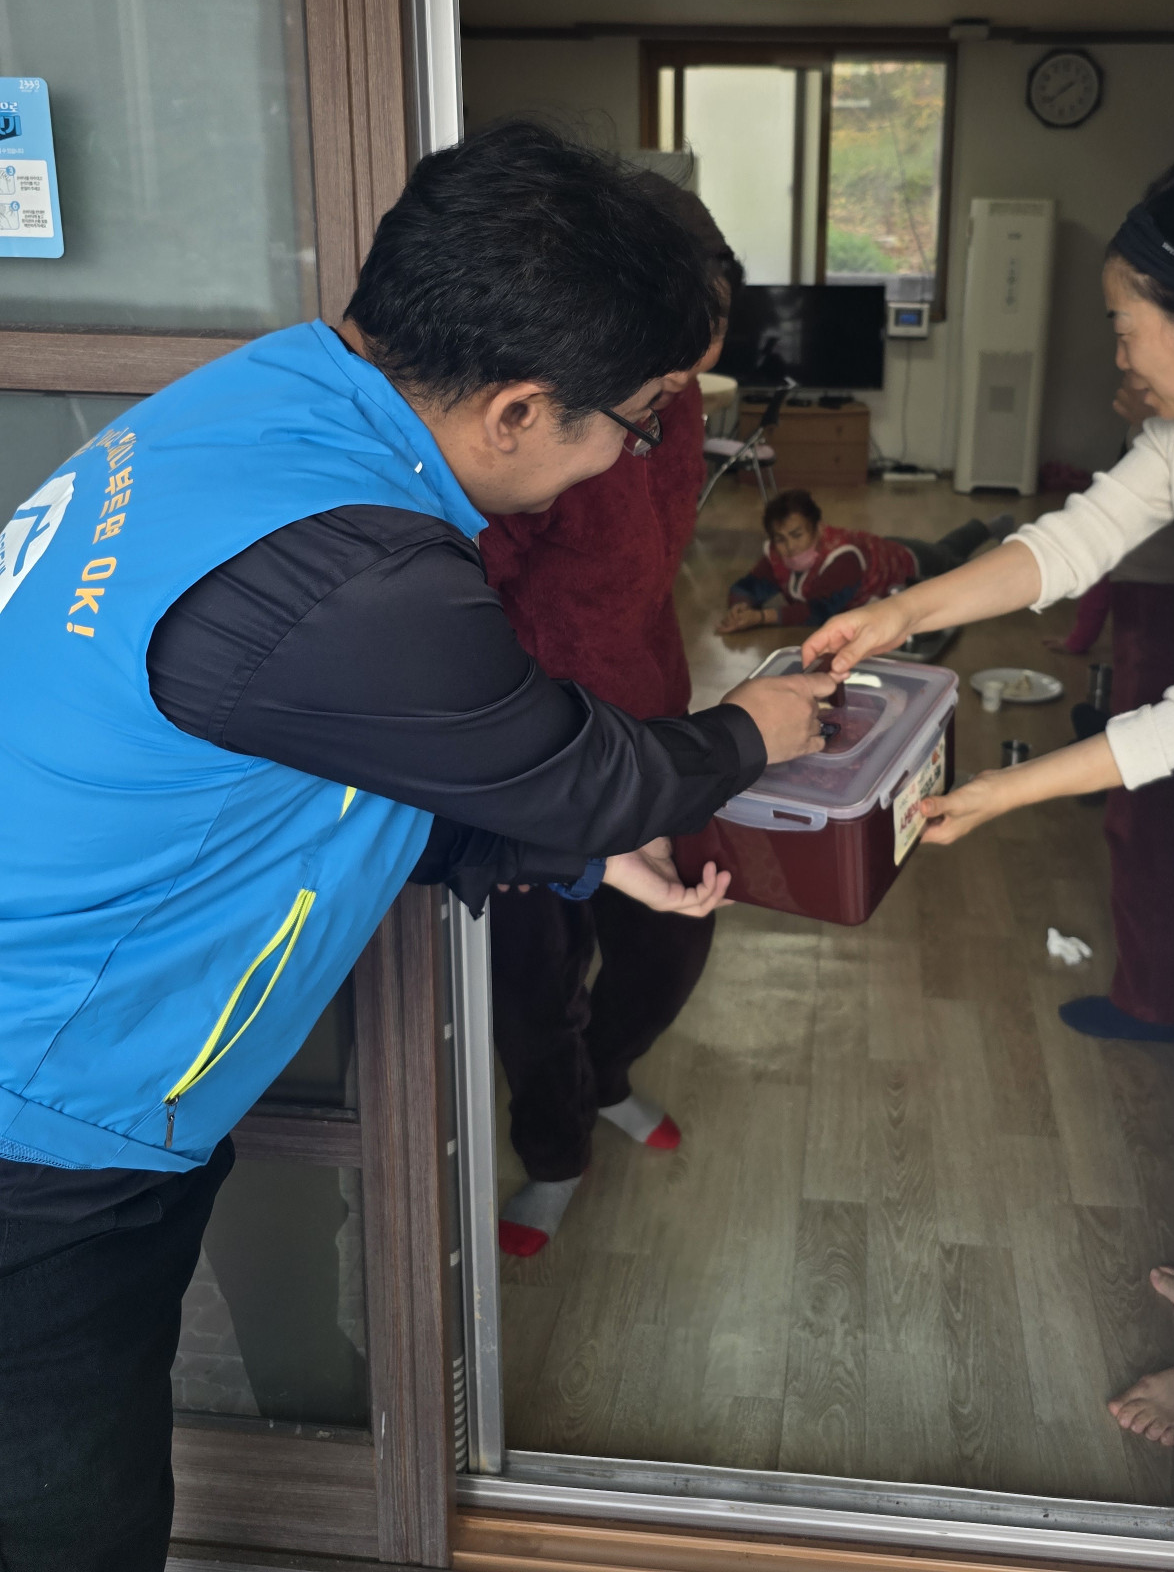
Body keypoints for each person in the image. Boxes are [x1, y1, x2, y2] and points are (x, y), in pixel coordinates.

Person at [0, 120, 835, 1572]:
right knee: (70, 1513)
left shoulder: (268, 402)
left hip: (77, 1053)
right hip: (43, 1111)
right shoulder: (363, 571)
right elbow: (576, 771)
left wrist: (584, 861)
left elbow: (347, 763)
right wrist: (752, 731)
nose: (634, 454)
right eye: (636, 421)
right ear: (518, 409)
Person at [804, 149, 1174, 1449]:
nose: (1120, 350)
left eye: (1128, 322)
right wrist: (900, 611)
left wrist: (999, 789)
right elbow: (1069, 541)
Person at [478, 177, 739, 1255]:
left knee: (676, 935)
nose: (682, 383)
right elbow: (474, 596)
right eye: (669, 361)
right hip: (538, 740)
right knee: (538, 981)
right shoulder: (538, 424)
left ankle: (607, 1075)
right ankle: (554, 1150)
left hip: (654, 705)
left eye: (699, 356)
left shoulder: (679, 403)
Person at [1043, 376, 1174, 1042]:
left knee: (1148, 813)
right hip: (1158, 600)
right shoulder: (1173, 429)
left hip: (1165, 607)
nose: (1121, 362)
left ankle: (1151, 1002)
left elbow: (1084, 544)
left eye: (1130, 334)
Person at [718, 487, 1013, 632]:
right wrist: (740, 607)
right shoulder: (777, 554)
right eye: (780, 539)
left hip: (908, 563)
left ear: (818, 529)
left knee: (959, 566)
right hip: (883, 551)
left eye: (797, 535)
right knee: (946, 549)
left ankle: (1002, 537)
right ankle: (991, 526)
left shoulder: (842, 559)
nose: (789, 547)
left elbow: (821, 612)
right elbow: (748, 585)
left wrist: (760, 618)